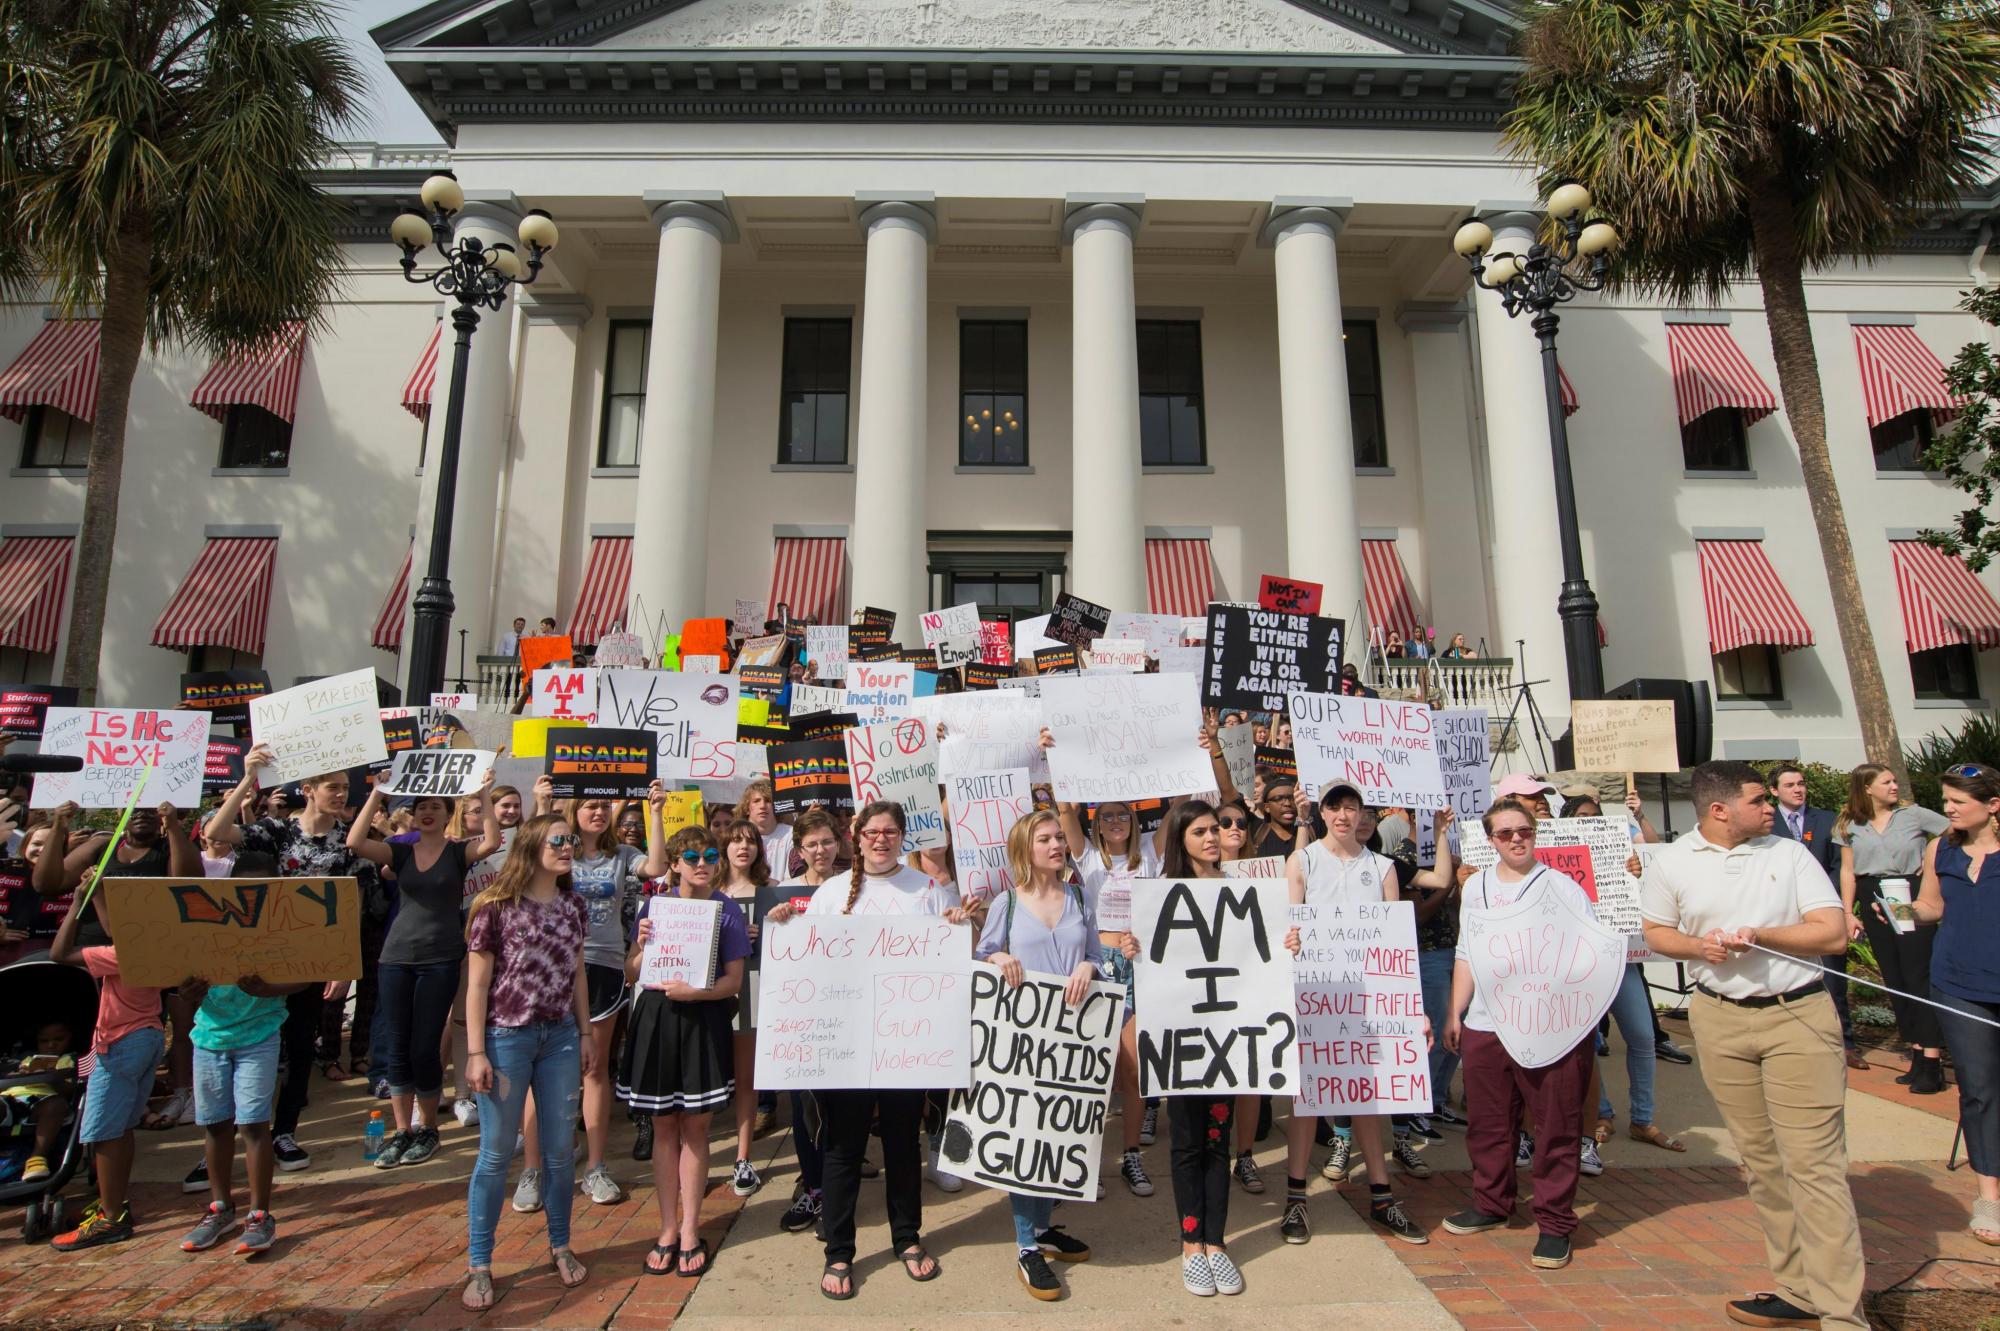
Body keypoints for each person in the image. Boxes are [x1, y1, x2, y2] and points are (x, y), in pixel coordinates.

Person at [1641, 760, 1862, 1331]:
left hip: (1798, 1017)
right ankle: (1796, 1289)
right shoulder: (1670, 861)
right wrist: (1698, 947)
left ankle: (1842, 1313)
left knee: (1814, 1167)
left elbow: (1832, 932)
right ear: (1720, 810)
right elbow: (1656, 932)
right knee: (1762, 1164)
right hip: (1719, 1020)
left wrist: (1761, 934)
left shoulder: (1787, 853)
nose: (1772, 809)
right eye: (1760, 800)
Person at [764, 801, 970, 1300]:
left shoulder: (927, 890)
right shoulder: (832, 893)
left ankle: (907, 1238)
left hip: (906, 1041)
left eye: (891, 832)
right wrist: (782, 921)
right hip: (846, 1045)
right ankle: (839, 1250)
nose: (882, 840)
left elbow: (953, 953)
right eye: (873, 832)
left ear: (902, 836)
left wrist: (959, 924)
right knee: (842, 1147)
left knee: (903, 1142)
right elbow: (807, 957)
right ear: (856, 835)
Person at [1131, 799, 1295, 1298]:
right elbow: (1151, 957)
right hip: (1183, 1047)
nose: (1212, 836)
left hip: (1228, 1042)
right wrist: (1132, 948)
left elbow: (1260, 956)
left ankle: (1216, 1242)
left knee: (1217, 1144)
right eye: (1201, 830)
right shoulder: (1161, 896)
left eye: (1218, 828)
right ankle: (1190, 1244)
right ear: (1180, 837)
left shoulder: (1245, 892)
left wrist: (1287, 943)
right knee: (1185, 1145)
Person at [1278, 785, 1445, 1247]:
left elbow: (1396, 940)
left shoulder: (1383, 867)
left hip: (1374, 996)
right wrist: (1290, 943)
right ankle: (1296, 1198)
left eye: (1353, 807)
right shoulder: (1303, 861)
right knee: (1308, 1099)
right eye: (1335, 806)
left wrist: (1414, 1009)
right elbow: (1288, 923)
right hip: (1317, 993)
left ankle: (1381, 1196)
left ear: (1364, 813)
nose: (1344, 815)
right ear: (1323, 810)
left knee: (1369, 1097)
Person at [1442, 798, 1599, 1271]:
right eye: (1505, 832)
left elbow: (1588, 953)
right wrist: (1456, 1011)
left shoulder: (1562, 888)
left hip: (1548, 1025)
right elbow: (1467, 951)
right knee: (1489, 1122)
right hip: (1488, 1024)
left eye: (1523, 831)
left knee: (1554, 1124)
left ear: (1535, 834)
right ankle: (1492, 1204)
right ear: (1490, 840)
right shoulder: (1476, 889)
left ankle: (1554, 1223)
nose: (1516, 839)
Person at [206, 756, 381, 1170]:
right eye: (331, 787)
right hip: (264, 955)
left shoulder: (350, 839)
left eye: (343, 787)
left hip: (314, 959)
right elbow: (215, 831)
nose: (340, 794)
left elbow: (353, 905)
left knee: (302, 1045)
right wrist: (249, 777)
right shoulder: (277, 831)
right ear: (308, 790)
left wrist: (343, 965)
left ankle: (284, 1132)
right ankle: (237, 1134)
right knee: (256, 1046)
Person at [461, 813, 598, 1311]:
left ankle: (560, 1245)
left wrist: (585, 1032)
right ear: (533, 846)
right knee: (496, 1153)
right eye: (558, 840)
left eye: (570, 840)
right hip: (506, 1038)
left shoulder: (573, 905)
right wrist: (475, 1052)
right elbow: (477, 985)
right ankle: (480, 1264)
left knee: (561, 1152)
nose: (567, 847)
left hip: (560, 1036)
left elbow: (577, 974)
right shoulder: (495, 907)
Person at [518, 781, 665, 1209]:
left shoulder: (621, 855)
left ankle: (596, 1167)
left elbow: (656, 867)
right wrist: (542, 804)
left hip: (603, 966)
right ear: (574, 810)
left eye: (604, 805)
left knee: (594, 1070)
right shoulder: (558, 852)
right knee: (537, 1071)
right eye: (589, 806)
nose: (598, 812)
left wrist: (654, 810)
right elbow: (526, 856)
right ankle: (532, 1169)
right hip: (552, 966)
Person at [976, 810, 1103, 1300]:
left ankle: (1045, 1228)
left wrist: (1090, 966)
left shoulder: (1077, 896)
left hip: (1072, 1042)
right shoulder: (1005, 904)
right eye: (1045, 839)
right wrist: (997, 956)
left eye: (1059, 838)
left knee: (1058, 1134)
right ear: (1024, 849)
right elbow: (982, 957)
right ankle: (1027, 1246)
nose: (1056, 845)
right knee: (1025, 1140)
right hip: (1023, 1044)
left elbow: (1095, 954)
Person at [346, 772, 502, 1168]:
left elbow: (493, 841)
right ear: (412, 816)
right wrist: (378, 792)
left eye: (435, 807)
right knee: (397, 1046)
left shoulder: (456, 852)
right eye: (421, 808)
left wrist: (482, 793)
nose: (427, 813)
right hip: (396, 958)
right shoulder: (400, 853)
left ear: (448, 813)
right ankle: (402, 1131)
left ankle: (429, 1128)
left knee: (425, 1046)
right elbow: (355, 842)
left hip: (440, 959)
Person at [622, 823, 750, 1278]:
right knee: (663, 1127)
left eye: (710, 857)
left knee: (696, 1129)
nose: (702, 865)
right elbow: (631, 974)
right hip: (657, 1019)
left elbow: (734, 980)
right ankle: (667, 1229)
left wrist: (696, 993)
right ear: (674, 863)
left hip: (702, 1018)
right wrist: (640, 946)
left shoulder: (727, 909)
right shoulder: (655, 906)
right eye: (692, 858)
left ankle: (692, 1230)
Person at [178, 848, 311, 1260]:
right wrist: (187, 991)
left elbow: (312, 973)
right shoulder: (206, 922)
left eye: (263, 887)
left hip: (259, 1036)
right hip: (209, 1037)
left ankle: (260, 1214)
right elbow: (180, 971)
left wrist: (270, 990)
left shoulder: (285, 928)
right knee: (215, 1124)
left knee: (254, 1124)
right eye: (245, 885)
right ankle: (220, 1209)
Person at [49, 876, 164, 1250]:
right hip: (147, 1035)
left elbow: (59, 953)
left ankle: (111, 1218)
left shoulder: (120, 955)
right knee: (123, 1127)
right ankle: (114, 1204)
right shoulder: (154, 948)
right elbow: (117, 930)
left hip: (120, 1043)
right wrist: (98, 893)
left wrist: (77, 901)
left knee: (103, 1131)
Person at [1913, 763, 2000, 1245]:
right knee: (1979, 1089)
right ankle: (1989, 1197)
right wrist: (1902, 912)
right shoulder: (1939, 847)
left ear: (1993, 806)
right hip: (1958, 983)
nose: (1947, 809)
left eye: (1957, 802)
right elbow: (1933, 906)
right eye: (1945, 800)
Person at [1056, 795, 1161, 1191]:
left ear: (1134, 822)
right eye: (1107, 816)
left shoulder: (1150, 852)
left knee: (1133, 1069)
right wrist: (1056, 756)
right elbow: (1066, 810)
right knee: (1093, 1073)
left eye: (1123, 815)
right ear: (1096, 825)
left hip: (1137, 966)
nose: (1116, 821)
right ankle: (1088, 1160)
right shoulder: (1086, 858)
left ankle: (1131, 1156)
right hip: (1097, 967)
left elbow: (1182, 798)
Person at [1835, 762, 1951, 1093]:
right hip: (1873, 895)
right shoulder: (1849, 824)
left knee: (1917, 974)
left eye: (1894, 780)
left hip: (1909, 892)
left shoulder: (1914, 815)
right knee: (1895, 977)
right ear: (1867, 788)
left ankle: (1932, 1060)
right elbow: (1847, 871)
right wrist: (1847, 912)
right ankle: (1916, 1052)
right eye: (1886, 782)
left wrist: (1933, 873)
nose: (1894, 786)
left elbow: (1952, 835)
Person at [766, 809, 843, 1234]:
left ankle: (835, 1193)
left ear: (839, 844)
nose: (820, 850)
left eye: (827, 842)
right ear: (799, 850)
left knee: (835, 1109)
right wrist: (772, 921)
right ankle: (813, 1189)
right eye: (812, 844)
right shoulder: (782, 893)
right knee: (801, 1108)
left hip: (842, 1011)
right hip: (798, 1016)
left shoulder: (856, 889)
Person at [1768, 765, 1867, 1071]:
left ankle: (1846, 1044)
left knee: (1834, 979)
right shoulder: (1765, 823)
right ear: (1774, 791)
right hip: (1782, 914)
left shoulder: (1827, 820)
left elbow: (1841, 866)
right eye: (1789, 785)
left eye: (1801, 784)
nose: (1798, 789)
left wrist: (1830, 901)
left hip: (1824, 911)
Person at [715, 820, 771, 1196]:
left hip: (752, 989)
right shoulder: (706, 891)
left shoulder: (770, 893)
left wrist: (765, 932)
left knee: (747, 1077)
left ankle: (743, 1157)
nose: (743, 848)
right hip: (710, 992)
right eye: (735, 841)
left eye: (750, 842)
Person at [4, 1019, 72, 1183]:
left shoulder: (68, 1061)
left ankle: (36, 1158)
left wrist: (51, 1077)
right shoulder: (25, 1060)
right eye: (44, 1041)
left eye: (58, 1040)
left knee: (56, 1105)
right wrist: (14, 1076)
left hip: (42, 1103)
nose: (51, 1045)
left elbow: (70, 1090)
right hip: (12, 1099)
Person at [737, 778, 795, 882]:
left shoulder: (791, 834)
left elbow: (790, 879)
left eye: (768, 801)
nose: (762, 806)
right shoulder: (736, 837)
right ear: (747, 808)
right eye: (756, 801)